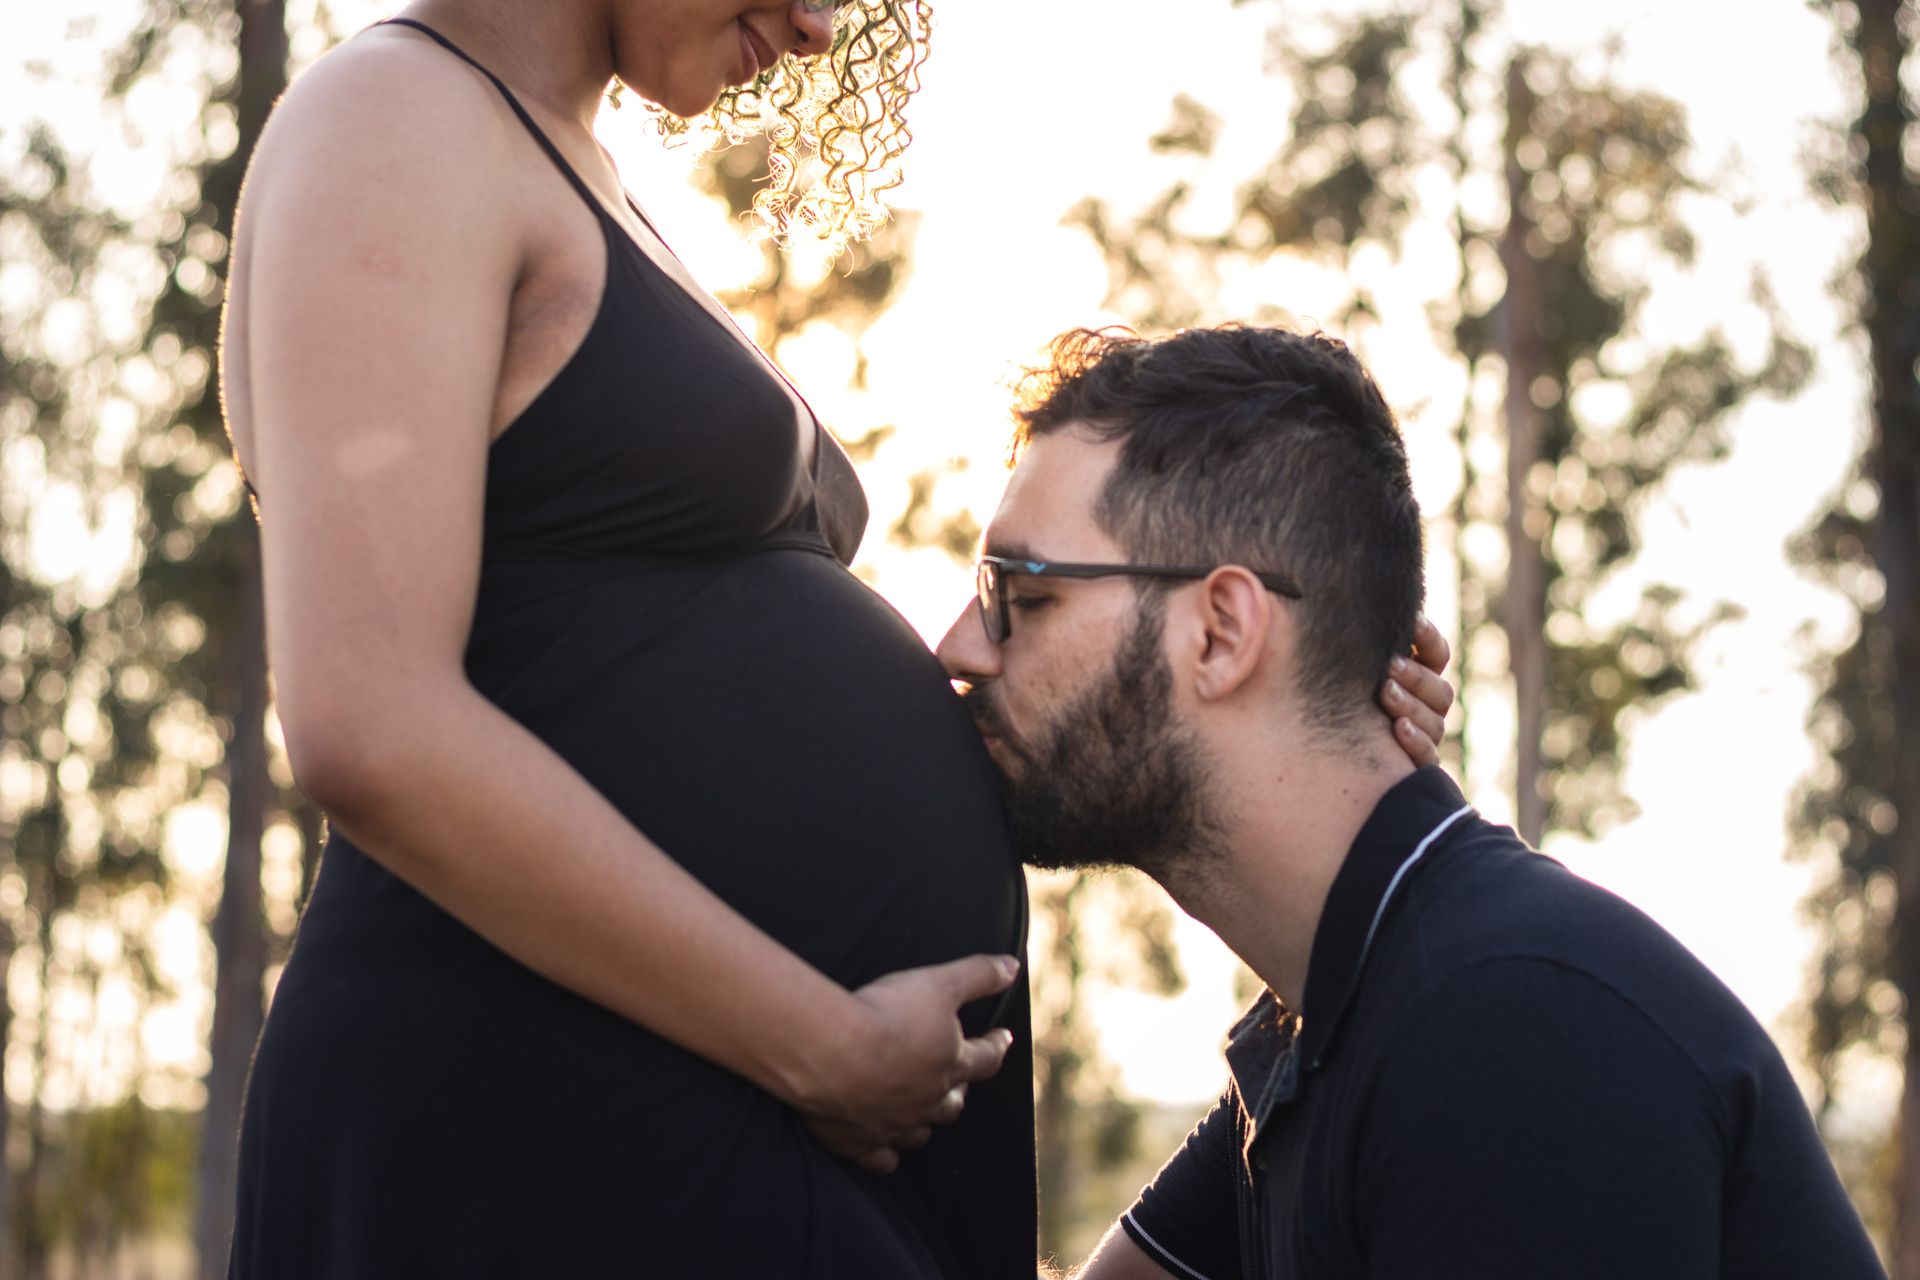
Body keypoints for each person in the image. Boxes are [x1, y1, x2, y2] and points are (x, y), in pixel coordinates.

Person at [218, 3, 1460, 1274]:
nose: (819, 26)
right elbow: (366, 717)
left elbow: (667, 689)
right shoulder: (397, 112)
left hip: (715, 1104)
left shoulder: (563, 160)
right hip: (534, 1093)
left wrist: (1304, 724)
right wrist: (814, 1039)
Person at [935, 324, 1885, 1280]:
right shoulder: (1345, 1018)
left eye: (1022, 590)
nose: (961, 648)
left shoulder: (1504, 1036)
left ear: (1221, 633)